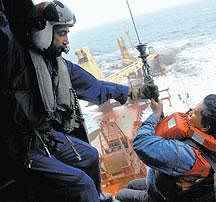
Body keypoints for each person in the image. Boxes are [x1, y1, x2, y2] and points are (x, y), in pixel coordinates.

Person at [0, 0, 159, 201]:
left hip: (44, 137)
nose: (67, 40)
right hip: (21, 149)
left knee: (90, 156)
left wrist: (138, 92)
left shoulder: (58, 66)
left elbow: (97, 88)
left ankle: (98, 197)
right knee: (81, 183)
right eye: (62, 33)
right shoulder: (16, 60)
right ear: (43, 32)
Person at [116, 94, 216, 202]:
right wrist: (162, 117)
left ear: (205, 127)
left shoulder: (185, 154)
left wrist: (155, 114)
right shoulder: (215, 142)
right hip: (169, 183)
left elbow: (140, 143)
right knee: (132, 184)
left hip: (162, 196)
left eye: (195, 112)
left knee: (120, 195)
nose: (190, 111)